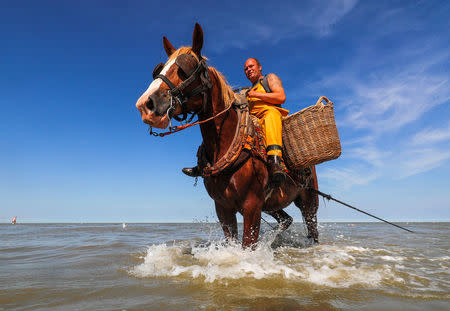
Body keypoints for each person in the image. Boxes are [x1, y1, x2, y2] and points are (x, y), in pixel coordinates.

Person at [182, 58, 288, 186]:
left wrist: (255, 95)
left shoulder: (269, 78)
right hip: (252, 118)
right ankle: (203, 163)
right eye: (246, 69)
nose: (248, 70)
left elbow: (281, 97)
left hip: (269, 115)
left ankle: (275, 161)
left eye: (251, 66)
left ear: (259, 67)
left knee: (271, 115)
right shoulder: (248, 90)